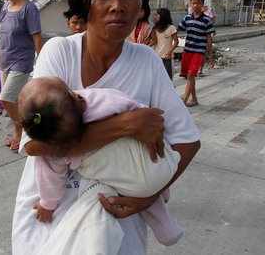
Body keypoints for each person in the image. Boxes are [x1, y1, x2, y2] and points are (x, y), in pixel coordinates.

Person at [11, 0, 200, 255]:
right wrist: (127, 124)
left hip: (117, 222)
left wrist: (150, 195)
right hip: (49, 214)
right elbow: (35, 144)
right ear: (86, 1)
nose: (117, 6)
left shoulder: (147, 62)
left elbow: (188, 142)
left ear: (141, 4)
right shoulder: (60, 53)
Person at [17, 77, 183, 249]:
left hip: (125, 182)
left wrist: (48, 204)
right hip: (160, 161)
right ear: (77, 98)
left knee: (101, 187)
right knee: (142, 175)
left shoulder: (54, 151)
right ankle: (166, 226)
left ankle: (159, 228)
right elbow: (134, 109)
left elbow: (50, 179)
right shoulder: (103, 99)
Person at [0, 0, 43, 152]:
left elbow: (37, 38)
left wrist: (44, 61)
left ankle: (19, 132)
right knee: (15, 100)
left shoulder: (29, 9)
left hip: (21, 62)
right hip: (5, 60)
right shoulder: (5, 7)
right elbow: (3, 33)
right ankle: (28, 131)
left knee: (6, 99)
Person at [177, 0, 215, 106]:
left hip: (198, 53)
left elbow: (209, 38)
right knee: (190, 77)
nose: (195, 6)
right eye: (193, 3)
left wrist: (210, 55)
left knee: (190, 75)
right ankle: (194, 99)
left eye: (198, 3)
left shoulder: (206, 20)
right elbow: (177, 29)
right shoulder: (187, 18)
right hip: (187, 51)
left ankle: (184, 101)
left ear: (202, 4)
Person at [151, 8, 179, 80]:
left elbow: (176, 42)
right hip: (156, 57)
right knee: (157, 78)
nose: (155, 17)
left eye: (157, 15)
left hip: (167, 58)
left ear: (162, 16)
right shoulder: (154, 28)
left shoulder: (171, 28)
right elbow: (154, 41)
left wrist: (170, 51)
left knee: (168, 79)